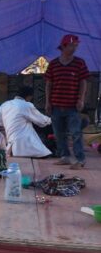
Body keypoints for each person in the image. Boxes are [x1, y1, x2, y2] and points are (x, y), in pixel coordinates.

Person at [45, 34, 89, 169]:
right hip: (56, 104)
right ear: (63, 46)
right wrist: (48, 102)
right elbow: (48, 84)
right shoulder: (53, 64)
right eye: (72, 45)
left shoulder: (79, 63)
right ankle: (65, 157)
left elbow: (83, 82)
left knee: (76, 133)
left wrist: (81, 99)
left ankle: (80, 159)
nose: (74, 48)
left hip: (72, 106)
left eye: (76, 45)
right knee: (59, 133)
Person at [0, 86, 52, 158]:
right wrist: (53, 120)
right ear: (29, 96)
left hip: (10, 141)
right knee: (47, 126)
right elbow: (42, 121)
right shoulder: (27, 105)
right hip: (23, 141)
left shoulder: (5, 104)